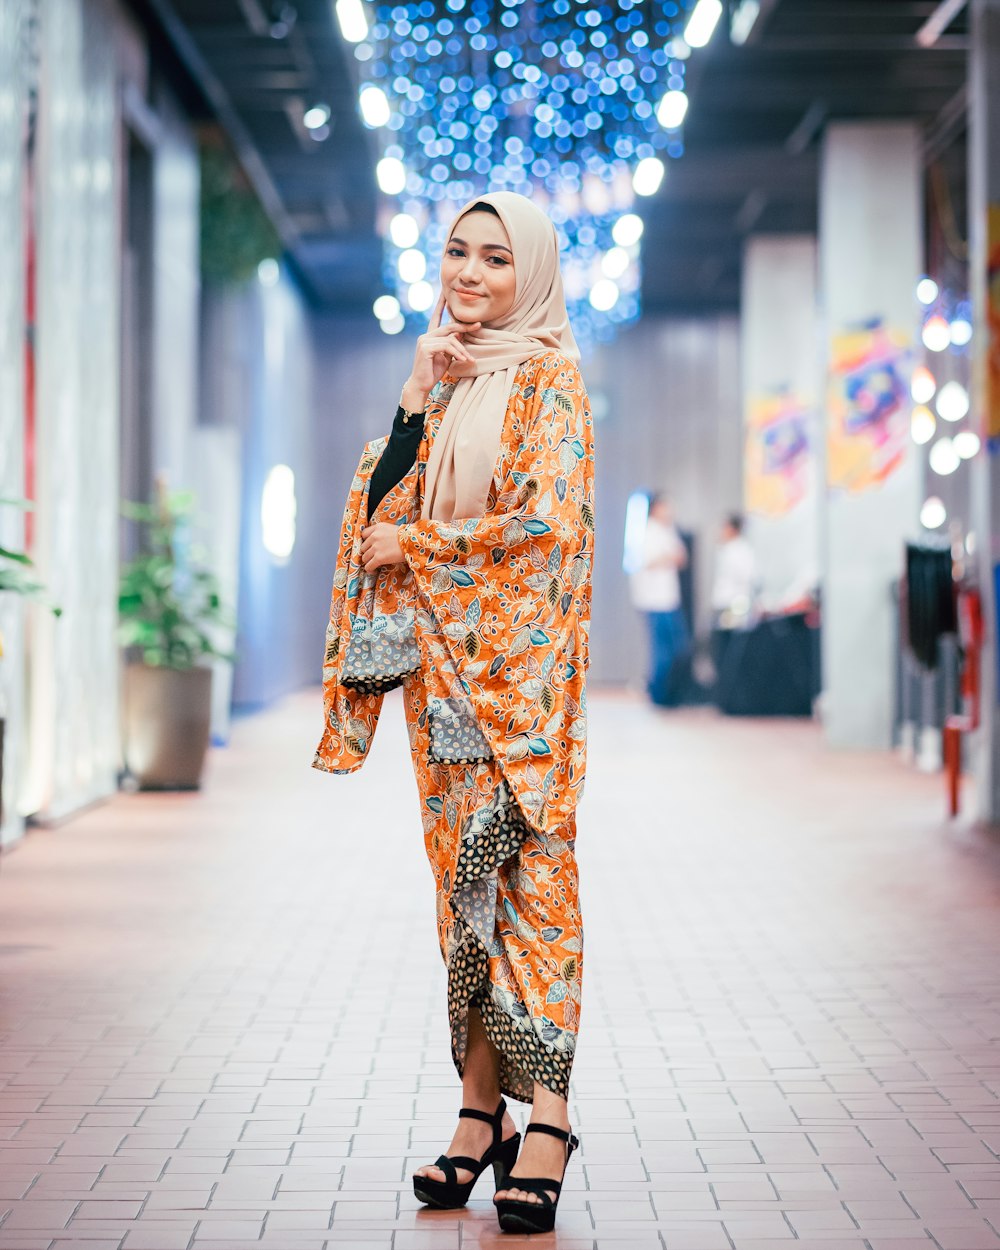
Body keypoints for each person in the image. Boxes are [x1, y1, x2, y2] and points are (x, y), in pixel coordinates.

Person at [313, 192, 594, 1235]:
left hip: (519, 691)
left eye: (494, 257)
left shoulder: (548, 379)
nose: (469, 273)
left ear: (531, 272)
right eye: (456, 252)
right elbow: (377, 510)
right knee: (464, 901)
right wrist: (413, 396)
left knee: (538, 897)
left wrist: (425, 550)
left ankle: (549, 1119)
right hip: (441, 688)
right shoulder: (445, 378)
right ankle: (480, 1113)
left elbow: (544, 526)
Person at [630, 492, 688, 707]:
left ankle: (670, 692)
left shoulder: (668, 531)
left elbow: (681, 558)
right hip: (653, 600)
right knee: (662, 651)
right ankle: (659, 695)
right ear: (656, 508)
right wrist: (668, 558)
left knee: (678, 647)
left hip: (669, 599)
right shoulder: (648, 532)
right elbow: (649, 562)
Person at [711, 513, 757, 626]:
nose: (721, 531)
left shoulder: (740, 551)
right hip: (724, 602)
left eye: (724, 527)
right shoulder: (726, 549)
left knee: (730, 636)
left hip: (733, 604)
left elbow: (748, 576)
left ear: (732, 529)